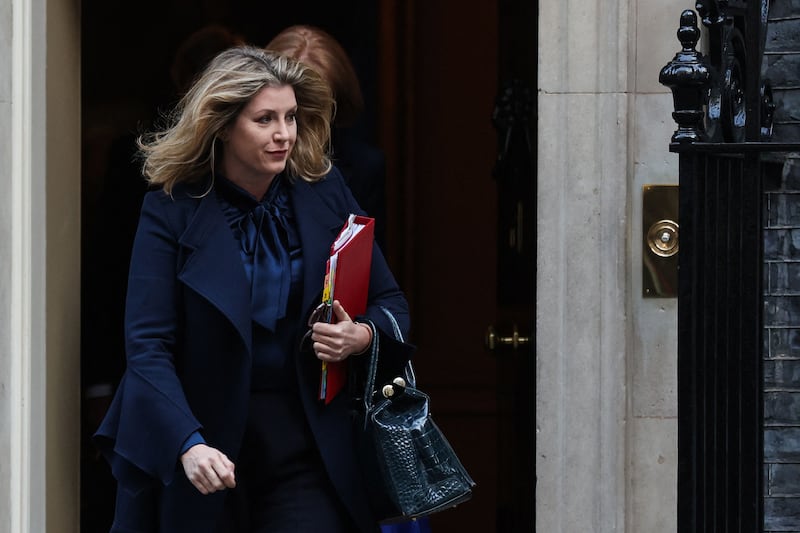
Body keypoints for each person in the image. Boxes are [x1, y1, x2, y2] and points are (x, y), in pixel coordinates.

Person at [94, 45, 414, 533]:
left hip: (304, 441)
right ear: (222, 125)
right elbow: (148, 348)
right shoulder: (170, 211)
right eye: (264, 120)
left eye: (290, 117)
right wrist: (187, 443)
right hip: (203, 442)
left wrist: (362, 336)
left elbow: (390, 301)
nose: (284, 134)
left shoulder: (324, 192)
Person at [266, 25, 388, 249]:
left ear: (336, 107)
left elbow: (368, 267)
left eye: (313, 113)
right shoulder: (242, 165)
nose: (289, 131)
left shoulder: (362, 168)